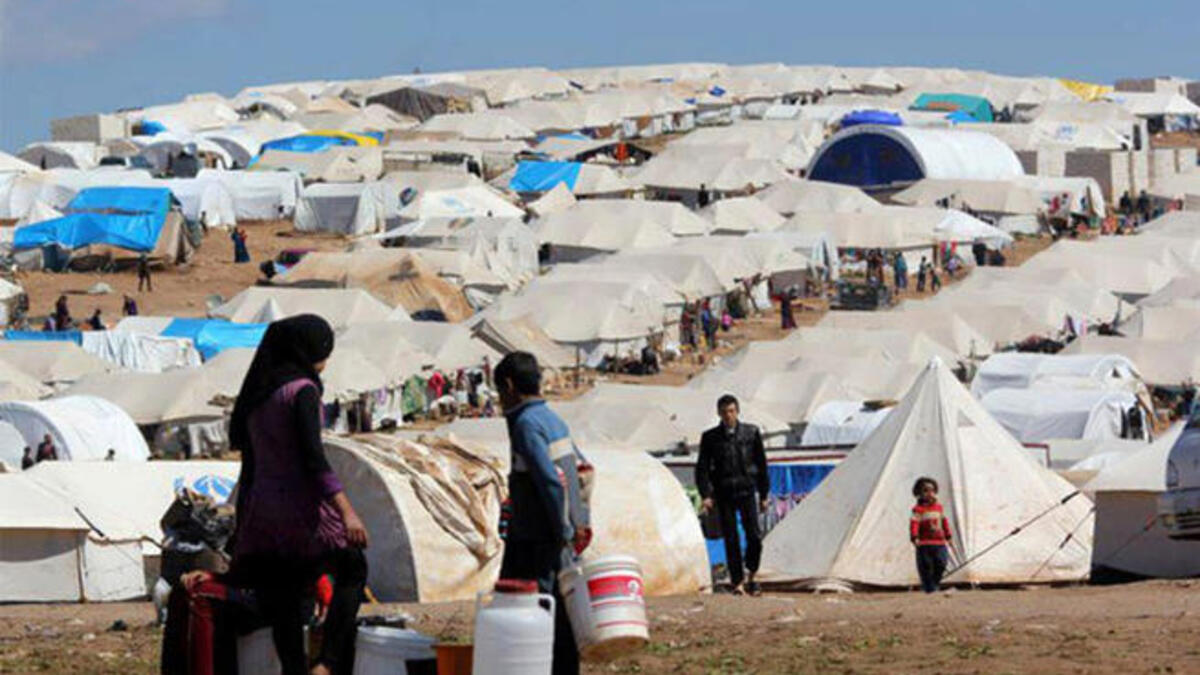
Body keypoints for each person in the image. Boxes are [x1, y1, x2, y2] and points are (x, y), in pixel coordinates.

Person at [225, 315, 369, 675]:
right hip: (301, 507)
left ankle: (295, 669)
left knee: (285, 594)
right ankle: (327, 663)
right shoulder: (302, 390)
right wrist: (346, 511)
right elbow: (313, 458)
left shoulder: (261, 394)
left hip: (264, 510)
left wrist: (243, 524)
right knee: (353, 566)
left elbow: (251, 464)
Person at [494, 352, 591, 675]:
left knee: (532, 608)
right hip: (558, 532)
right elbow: (582, 471)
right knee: (561, 608)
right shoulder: (554, 419)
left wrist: (562, 529)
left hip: (538, 536)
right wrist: (580, 522)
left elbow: (550, 481)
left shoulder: (525, 424)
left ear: (508, 386)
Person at [697, 395, 768, 595]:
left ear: (737, 411)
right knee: (731, 538)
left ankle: (752, 574)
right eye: (725, 412)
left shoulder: (751, 433)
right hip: (724, 492)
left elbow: (762, 465)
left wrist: (764, 494)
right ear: (719, 413)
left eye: (732, 411)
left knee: (754, 535)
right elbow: (702, 468)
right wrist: (706, 494)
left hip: (747, 490)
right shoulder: (711, 438)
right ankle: (737, 582)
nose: (728, 415)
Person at [910, 477, 952, 593]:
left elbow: (944, 522)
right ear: (919, 493)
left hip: (939, 542)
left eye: (932, 490)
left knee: (941, 563)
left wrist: (948, 536)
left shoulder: (939, 508)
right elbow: (914, 523)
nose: (929, 493)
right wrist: (914, 537)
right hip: (924, 543)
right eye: (925, 490)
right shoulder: (918, 510)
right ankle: (929, 587)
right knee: (926, 566)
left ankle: (935, 583)